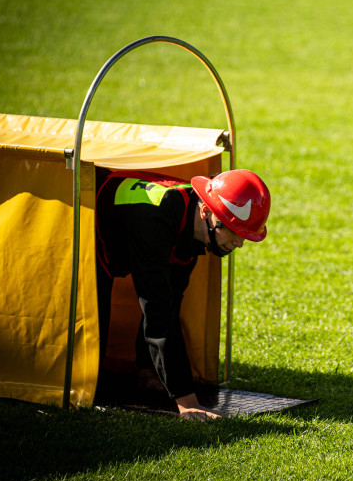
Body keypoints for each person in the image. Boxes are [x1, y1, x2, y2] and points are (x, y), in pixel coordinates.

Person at [94, 169, 270, 421]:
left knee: (172, 298)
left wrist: (148, 371)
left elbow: (170, 299)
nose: (239, 243)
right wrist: (187, 401)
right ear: (206, 212)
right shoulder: (157, 217)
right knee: (98, 331)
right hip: (86, 233)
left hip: (134, 230)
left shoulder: (193, 220)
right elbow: (157, 311)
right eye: (233, 230)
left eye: (244, 235)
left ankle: (145, 370)